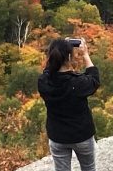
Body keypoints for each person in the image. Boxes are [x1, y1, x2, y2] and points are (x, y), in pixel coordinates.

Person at [38, 37, 100, 171]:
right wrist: (86, 55)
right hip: (82, 134)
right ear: (70, 57)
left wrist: (61, 48)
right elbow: (94, 80)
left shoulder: (43, 82)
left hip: (57, 135)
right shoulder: (78, 83)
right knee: (88, 168)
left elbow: (48, 72)